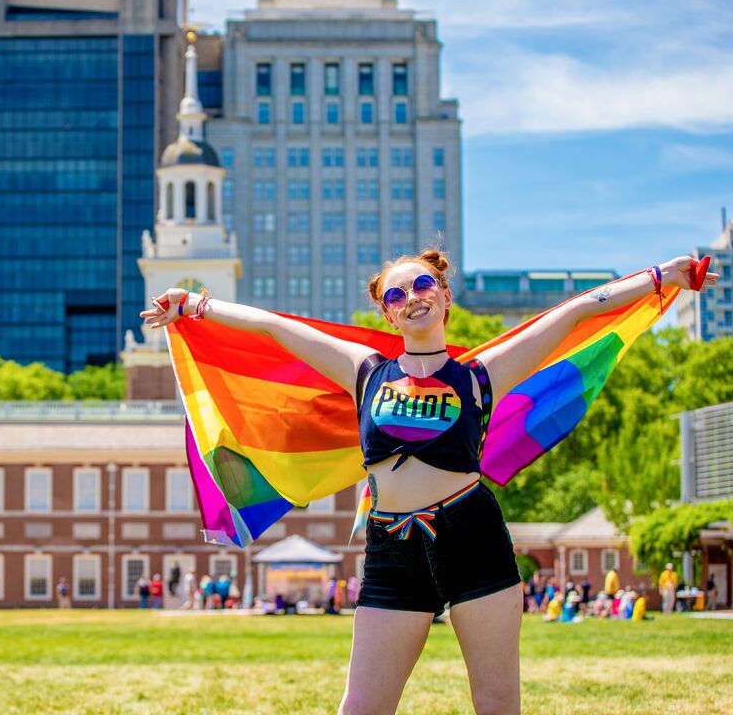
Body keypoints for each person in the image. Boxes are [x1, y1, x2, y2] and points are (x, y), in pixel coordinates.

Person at [142, 251, 715, 714]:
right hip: (392, 550)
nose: (410, 298)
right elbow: (276, 329)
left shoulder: (479, 376)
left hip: (475, 538)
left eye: (421, 286)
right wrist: (193, 304)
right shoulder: (364, 370)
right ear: (388, 315)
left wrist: (661, 277)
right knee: (362, 706)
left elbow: (569, 316)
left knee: (495, 705)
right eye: (395, 295)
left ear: (443, 297)